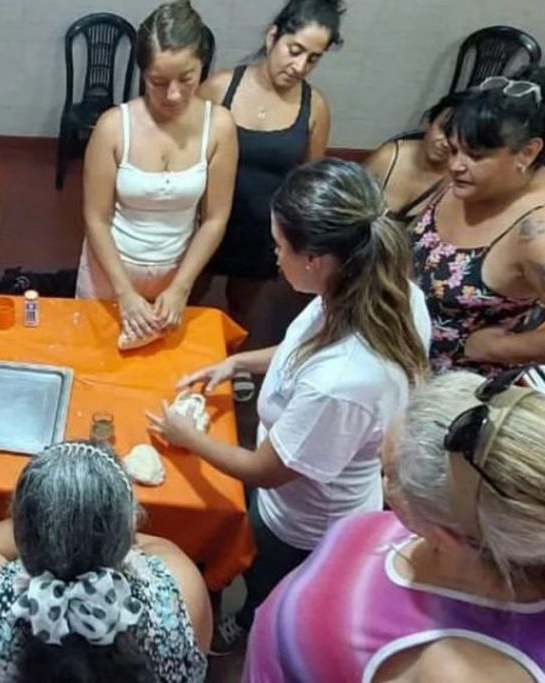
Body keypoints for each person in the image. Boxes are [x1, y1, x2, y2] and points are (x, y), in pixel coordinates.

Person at [148, 158, 432, 653]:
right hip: (314, 481)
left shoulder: (343, 381)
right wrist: (236, 366)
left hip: (301, 522)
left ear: (315, 260)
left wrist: (187, 436)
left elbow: (267, 470)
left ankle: (253, 625)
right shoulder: (380, 290)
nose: (274, 256)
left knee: (272, 587)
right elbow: (303, 349)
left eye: (280, 246)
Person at [245, 370, 545, 682]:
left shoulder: (460, 671)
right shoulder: (472, 523)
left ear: (446, 536)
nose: (376, 459)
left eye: (387, 471)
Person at [0, 441, 210, 682]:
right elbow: (153, 545)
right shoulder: (180, 589)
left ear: (19, 528)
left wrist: (50, 518)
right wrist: (96, 519)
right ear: (128, 528)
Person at [77, 1, 237, 341]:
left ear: (202, 68)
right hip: (110, 271)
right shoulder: (113, 127)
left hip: (175, 272)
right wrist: (124, 292)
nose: (174, 93)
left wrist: (181, 286)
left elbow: (214, 218)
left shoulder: (219, 126)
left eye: (186, 79)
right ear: (142, 73)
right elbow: (96, 218)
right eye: (158, 81)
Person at [196, 0, 342, 360]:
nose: (299, 66)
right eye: (295, 51)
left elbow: (308, 183)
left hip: (263, 233)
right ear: (272, 36)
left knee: (241, 311)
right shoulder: (220, 88)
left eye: (313, 58)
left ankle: (228, 368)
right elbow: (185, 148)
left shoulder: (315, 107)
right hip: (206, 222)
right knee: (188, 299)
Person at [411, 66, 545, 377]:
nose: (456, 165)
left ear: (527, 152)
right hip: (401, 366)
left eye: (475, 155)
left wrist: (495, 348)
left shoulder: (534, 233)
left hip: (453, 397)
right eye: (455, 149)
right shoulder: (463, 183)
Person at [365, 91, 467, 224]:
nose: (446, 143)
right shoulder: (388, 157)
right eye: (443, 129)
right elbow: (343, 201)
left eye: (459, 137)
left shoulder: (456, 181)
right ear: (429, 123)